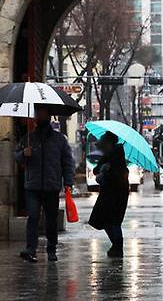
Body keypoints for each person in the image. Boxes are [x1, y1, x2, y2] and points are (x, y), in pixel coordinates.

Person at [14, 106, 75, 263]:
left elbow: (68, 162)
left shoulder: (59, 139)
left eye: (41, 113)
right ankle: (30, 249)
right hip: (32, 186)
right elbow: (17, 155)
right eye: (37, 113)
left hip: (51, 185)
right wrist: (23, 154)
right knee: (33, 218)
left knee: (51, 220)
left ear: (48, 116)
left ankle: (51, 249)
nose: (38, 116)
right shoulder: (29, 138)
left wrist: (68, 182)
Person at [88, 132, 129, 258]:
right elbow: (95, 170)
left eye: (103, 143)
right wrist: (102, 168)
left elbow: (117, 177)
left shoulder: (117, 158)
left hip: (117, 196)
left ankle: (117, 247)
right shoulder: (108, 156)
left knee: (113, 221)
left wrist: (105, 174)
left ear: (109, 144)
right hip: (107, 195)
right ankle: (116, 246)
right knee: (105, 221)